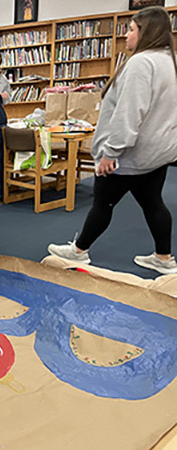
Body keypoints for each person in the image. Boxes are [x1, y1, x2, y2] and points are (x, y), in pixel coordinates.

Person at [48, 6, 177, 275]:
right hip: (156, 154)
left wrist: (110, 152)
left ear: (147, 32)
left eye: (131, 30)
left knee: (102, 203)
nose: (126, 36)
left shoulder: (142, 63)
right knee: (153, 203)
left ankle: (79, 251)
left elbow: (129, 112)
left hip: (127, 156)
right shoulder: (169, 61)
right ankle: (164, 258)